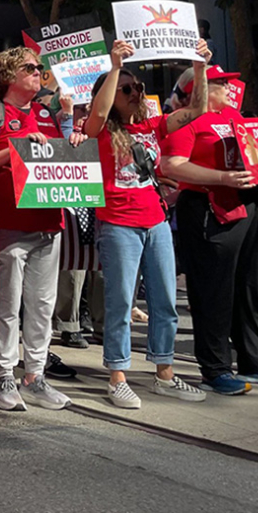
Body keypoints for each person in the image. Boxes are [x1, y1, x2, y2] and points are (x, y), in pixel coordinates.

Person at [82, 39, 211, 408]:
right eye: (127, 88)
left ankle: (164, 373)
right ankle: (117, 376)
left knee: (165, 301)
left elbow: (197, 108)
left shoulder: (154, 126)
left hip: (155, 223)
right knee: (121, 302)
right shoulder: (103, 129)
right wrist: (115, 67)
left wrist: (198, 66)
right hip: (118, 224)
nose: (135, 91)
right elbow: (100, 112)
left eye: (138, 86)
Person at [0, 47, 72, 412]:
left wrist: (73, 140)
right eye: (31, 68)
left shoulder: (47, 113)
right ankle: (5, 374)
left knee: (43, 305)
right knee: (8, 305)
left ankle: (37, 374)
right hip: (9, 223)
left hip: (49, 222)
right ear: (9, 76)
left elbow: (64, 156)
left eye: (39, 68)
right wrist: (17, 147)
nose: (38, 72)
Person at [162, 62, 258, 395]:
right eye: (221, 82)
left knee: (248, 285)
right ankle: (215, 368)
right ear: (198, 87)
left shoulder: (238, 118)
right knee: (213, 290)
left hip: (246, 204)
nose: (230, 87)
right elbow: (171, 165)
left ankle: (252, 359)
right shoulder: (189, 121)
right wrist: (222, 178)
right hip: (209, 207)